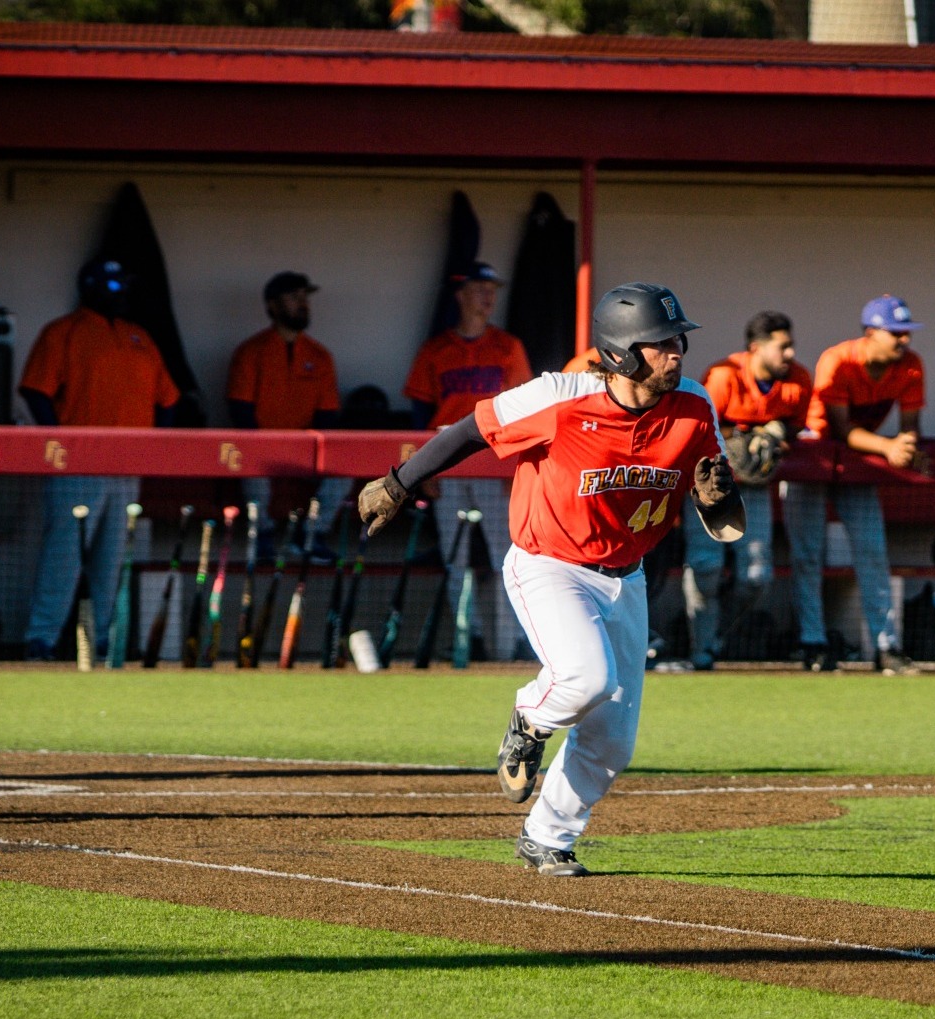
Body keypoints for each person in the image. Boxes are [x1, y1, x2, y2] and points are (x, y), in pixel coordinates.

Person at [358, 283, 739, 876]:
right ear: (620, 353)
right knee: (585, 678)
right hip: (549, 565)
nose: (676, 352)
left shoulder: (693, 406)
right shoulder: (559, 396)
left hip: (627, 577)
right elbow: (469, 431)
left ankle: (547, 837)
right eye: (661, 343)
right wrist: (399, 483)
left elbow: (715, 506)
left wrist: (719, 500)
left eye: (677, 340)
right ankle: (529, 719)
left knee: (614, 741)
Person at [18, 258, 180, 660]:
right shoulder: (63, 332)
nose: (122, 294)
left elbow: (169, 399)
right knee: (64, 558)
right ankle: (41, 640)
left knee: (113, 561)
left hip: (127, 468)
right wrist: (60, 443)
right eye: (115, 287)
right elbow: (35, 390)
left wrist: (151, 446)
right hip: (78, 466)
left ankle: (106, 641)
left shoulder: (139, 336)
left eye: (124, 287)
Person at [786, 296, 926, 675]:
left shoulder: (910, 365)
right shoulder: (839, 359)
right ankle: (812, 642)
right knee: (808, 555)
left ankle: (886, 647)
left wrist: (906, 445)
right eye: (895, 333)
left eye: (906, 333)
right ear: (871, 332)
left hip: (858, 466)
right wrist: (888, 447)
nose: (903, 341)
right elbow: (842, 429)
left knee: (872, 553)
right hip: (814, 459)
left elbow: (911, 428)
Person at [403, 261, 533, 660]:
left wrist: (517, 469)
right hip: (449, 457)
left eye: (492, 289)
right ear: (460, 294)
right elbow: (418, 412)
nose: (488, 295)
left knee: (505, 559)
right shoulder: (436, 349)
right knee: (455, 559)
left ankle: (509, 644)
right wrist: (423, 469)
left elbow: (527, 409)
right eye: (479, 288)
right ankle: (468, 638)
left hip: (495, 458)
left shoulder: (507, 346)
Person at [685, 311, 812, 669]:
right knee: (705, 567)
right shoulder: (724, 375)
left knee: (757, 576)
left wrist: (777, 431)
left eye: (791, 346)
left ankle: (722, 631)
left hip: (754, 487)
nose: (789, 354)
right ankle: (701, 649)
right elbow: (698, 428)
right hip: (709, 483)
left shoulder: (798, 379)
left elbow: (795, 426)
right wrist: (739, 438)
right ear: (756, 347)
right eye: (781, 347)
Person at [225, 270, 349, 558]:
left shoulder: (319, 355)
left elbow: (327, 415)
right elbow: (240, 411)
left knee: (343, 471)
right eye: (294, 297)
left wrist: (311, 451)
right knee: (251, 469)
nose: (303, 303)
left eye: (305, 297)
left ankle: (310, 536)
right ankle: (263, 536)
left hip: (304, 449)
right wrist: (264, 449)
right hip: (261, 449)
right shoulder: (251, 352)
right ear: (272, 305)